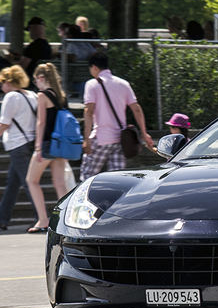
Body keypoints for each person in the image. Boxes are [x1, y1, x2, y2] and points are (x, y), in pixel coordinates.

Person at [80, 52, 154, 181]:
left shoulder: (92, 84)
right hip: (120, 140)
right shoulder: (123, 84)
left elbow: (89, 112)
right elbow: (136, 109)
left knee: (87, 178)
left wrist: (86, 139)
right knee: (116, 181)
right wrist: (144, 133)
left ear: (94, 67)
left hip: (100, 139)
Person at [25, 63, 71, 233]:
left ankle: (43, 220)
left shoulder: (42, 95)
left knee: (31, 180)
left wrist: (37, 147)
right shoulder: (62, 96)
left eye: (36, 79)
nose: (36, 83)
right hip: (60, 145)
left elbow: (41, 122)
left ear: (41, 78)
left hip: (46, 145)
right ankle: (67, 220)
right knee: (60, 184)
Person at [0, 66, 38, 230]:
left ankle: (42, 219)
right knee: (13, 183)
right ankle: (2, 218)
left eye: (2, 82)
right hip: (30, 143)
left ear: (8, 82)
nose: (1, 85)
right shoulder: (32, 95)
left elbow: (4, 123)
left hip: (18, 145)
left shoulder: (11, 96)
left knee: (29, 183)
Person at [8, 17, 52, 82]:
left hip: (29, 79)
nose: (29, 33)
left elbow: (22, 66)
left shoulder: (33, 46)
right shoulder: (47, 46)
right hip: (41, 78)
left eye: (30, 30)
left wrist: (10, 61)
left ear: (34, 28)